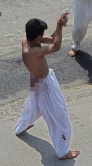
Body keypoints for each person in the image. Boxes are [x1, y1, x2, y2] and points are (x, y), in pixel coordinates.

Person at [14, 14, 80, 160]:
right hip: (44, 85)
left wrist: (59, 26)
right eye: (41, 35)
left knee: (31, 107)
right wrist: (59, 27)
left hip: (37, 81)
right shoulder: (30, 52)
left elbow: (51, 39)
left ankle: (20, 128)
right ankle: (63, 152)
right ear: (37, 37)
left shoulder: (27, 40)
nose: (42, 38)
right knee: (59, 115)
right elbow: (56, 46)